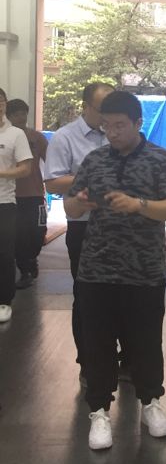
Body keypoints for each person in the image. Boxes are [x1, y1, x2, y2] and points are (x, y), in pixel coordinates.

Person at [64, 91, 166, 450]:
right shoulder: (95, 159)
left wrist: (138, 204)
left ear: (138, 123)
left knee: (145, 342)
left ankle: (151, 403)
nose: (112, 133)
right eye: (107, 126)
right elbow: (69, 206)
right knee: (97, 344)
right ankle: (99, 411)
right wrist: (79, 203)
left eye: (119, 125)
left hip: (144, 271)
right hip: (96, 270)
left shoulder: (161, 159)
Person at [44, 81, 114, 379]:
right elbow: (52, 182)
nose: (108, 117)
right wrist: (92, 178)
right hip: (83, 226)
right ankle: (89, 362)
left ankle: (121, 359)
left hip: (120, 227)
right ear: (85, 106)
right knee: (87, 296)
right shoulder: (65, 137)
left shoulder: (117, 134)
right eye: (102, 110)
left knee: (121, 295)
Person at [6, 99, 48, 289]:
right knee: (19, 236)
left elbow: (51, 160)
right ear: (9, 117)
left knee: (39, 232)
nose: (21, 117)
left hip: (36, 194)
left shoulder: (37, 138)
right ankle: (25, 271)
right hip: (13, 196)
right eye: (16, 114)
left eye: (24, 113)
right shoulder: (6, 138)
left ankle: (31, 259)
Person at [0, 88, 33, 323]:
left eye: (0, 101)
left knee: (4, 254)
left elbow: (25, 168)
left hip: (4, 203)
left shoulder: (15, 134)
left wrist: (2, 173)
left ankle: (4, 301)